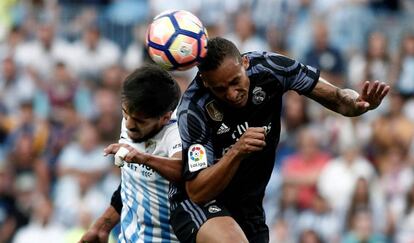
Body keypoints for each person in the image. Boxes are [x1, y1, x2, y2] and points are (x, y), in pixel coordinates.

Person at [168, 37, 389, 243]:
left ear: (245, 62)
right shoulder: (194, 109)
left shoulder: (270, 67)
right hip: (200, 205)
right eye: (220, 89)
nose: (232, 94)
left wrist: (358, 104)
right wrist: (236, 152)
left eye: (235, 82)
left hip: (248, 205)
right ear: (206, 83)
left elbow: (340, 99)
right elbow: (197, 191)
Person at [79, 64, 182, 243]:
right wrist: (101, 227)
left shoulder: (176, 132)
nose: (129, 125)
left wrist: (142, 158)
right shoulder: (130, 122)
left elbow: (184, 171)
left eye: (140, 120)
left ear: (165, 118)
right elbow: (129, 185)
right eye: (126, 114)